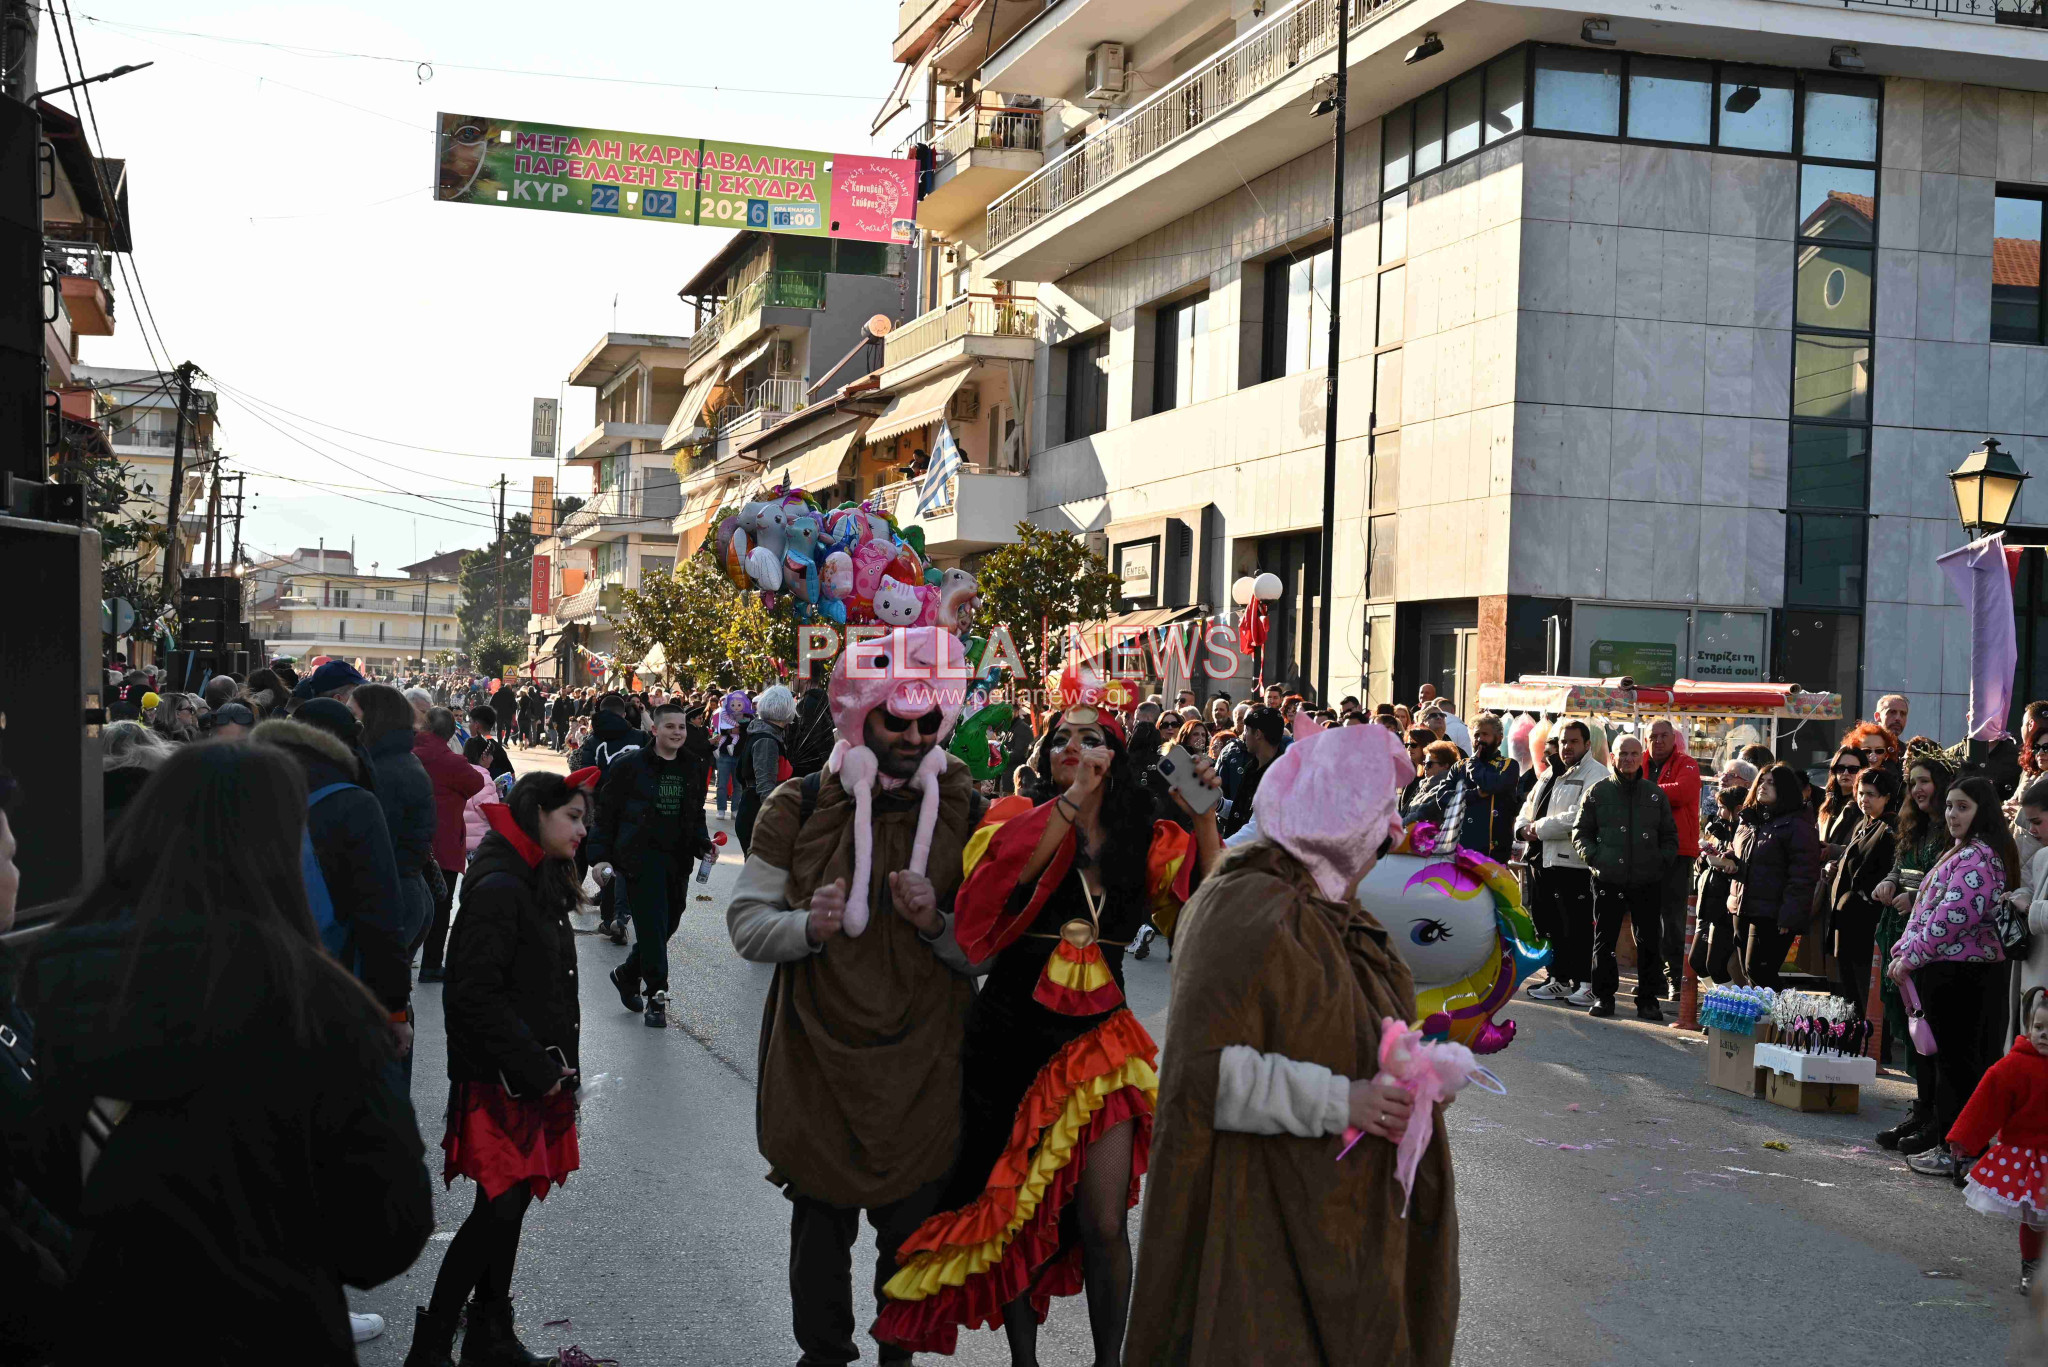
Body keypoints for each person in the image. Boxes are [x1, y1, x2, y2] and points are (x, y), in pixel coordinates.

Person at [17, 744, 432, 1362]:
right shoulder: (323, 1004)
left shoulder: (60, 975)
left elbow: (45, 1166)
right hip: (276, 1324)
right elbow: (389, 1221)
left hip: (112, 1318)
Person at [877, 691, 1218, 1361]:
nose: (1074, 747)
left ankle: (1107, 1361)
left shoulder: (1149, 838)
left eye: (1093, 739)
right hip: (1009, 1031)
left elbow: (1213, 912)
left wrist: (1205, 818)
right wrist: (1069, 805)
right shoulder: (1015, 819)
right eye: (1064, 736)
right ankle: (1024, 1360)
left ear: (1117, 760)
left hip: (1100, 1041)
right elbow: (999, 892)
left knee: (1102, 1218)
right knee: (1013, 1211)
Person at [1123, 721, 1456, 1367]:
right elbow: (1200, 1077)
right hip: (1261, 1231)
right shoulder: (1243, 905)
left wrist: (1416, 1074)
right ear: (1334, 811)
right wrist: (1341, 1100)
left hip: (1343, 1232)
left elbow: (1354, 1026)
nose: (1393, 830)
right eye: (1379, 809)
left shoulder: (1337, 904)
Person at [726, 627, 984, 1367]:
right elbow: (746, 922)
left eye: (924, 723)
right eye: (892, 721)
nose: (909, 735)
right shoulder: (797, 803)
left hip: (925, 1067)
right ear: (858, 718)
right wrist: (809, 925)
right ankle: (825, 1354)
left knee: (912, 1243)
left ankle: (896, 1355)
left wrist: (935, 919)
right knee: (818, 1235)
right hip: (818, 1061)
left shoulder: (966, 804)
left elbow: (985, 949)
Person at [404, 768, 597, 1367]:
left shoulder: (531, 872)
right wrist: (533, 1064)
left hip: (526, 1071)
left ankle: (490, 1332)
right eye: (573, 817)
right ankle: (434, 1345)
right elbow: (473, 995)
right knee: (499, 1209)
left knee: (506, 1209)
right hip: (501, 1077)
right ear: (538, 812)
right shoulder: (500, 885)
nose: (583, 831)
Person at [251, 703, 414, 1061]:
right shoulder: (352, 803)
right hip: (333, 986)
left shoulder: (245, 786)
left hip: (250, 985)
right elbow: (380, 913)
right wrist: (394, 1007)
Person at [1890, 774, 2016, 1178]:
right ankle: (1957, 1149)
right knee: (1953, 1065)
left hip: (1963, 975)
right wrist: (1906, 951)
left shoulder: (1979, 857)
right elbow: (1930, 910)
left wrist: (1911, 956)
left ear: (1983, 812)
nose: (1952, 814)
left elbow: (1951, 918)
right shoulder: (1964, 851)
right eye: (1950, 806)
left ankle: (1958, 1152)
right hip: (1949, 971)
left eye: (1963, 807)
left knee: (1958, 1069)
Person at [588, 702, 715, 1028]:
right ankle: (657, 997)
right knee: (652, 927)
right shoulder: (629, 766)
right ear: (655, 729)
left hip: (678, 860)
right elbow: (605, 814)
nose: (677, 732)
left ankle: (628, 974)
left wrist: (703, 843)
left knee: (667, 924)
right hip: (639, 861)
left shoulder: (692, 767)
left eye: (682, 727)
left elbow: (695, 813)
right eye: (670, 727)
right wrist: (599, 857)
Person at [1872, 752, 1955, 1146]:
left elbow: (1946, 889)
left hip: (1929, 942)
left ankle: (1934, 1118)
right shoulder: (1913, 826)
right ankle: (1919, 1108)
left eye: (1925, 781)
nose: (1918, 790)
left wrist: (1911, 895)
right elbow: (1898, 866)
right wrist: (1889, 884)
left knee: (1928, 1032)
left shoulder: (1952, 831)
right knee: (1908, 1029)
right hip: (1897, 933)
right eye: (1914, 783)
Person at [1571, 735, 1679, 1022]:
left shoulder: (1654, 795)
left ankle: (1648, 1000)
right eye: (1624, 754)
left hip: (1647, 879)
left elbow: (1669, 836)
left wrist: (1660, 861)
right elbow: (1580, 832)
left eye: (1634, 754)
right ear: (1613, 758)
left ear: (1640, 756)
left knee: (1649, 940)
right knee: (1604, 940)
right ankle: (1604, 997)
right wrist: (1595, 858)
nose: (1629, 759)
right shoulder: (1597, 792)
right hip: (1608, 878)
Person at [1518, 719, 1608, 1007]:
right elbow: (1527, 806)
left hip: (1574, 864)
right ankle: (1558, 979)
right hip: (1542, 859)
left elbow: (1578, 817)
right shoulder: (1550, 773)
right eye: (1563, 741)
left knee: (1578, 927)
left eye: (1573, 742)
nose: (1567, 747)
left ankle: (1586, 983)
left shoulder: (1597, 774)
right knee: (1548, 924)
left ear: (1586, 745)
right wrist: (1522, 828)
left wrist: (1537, 828)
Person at [1711, 763, 1823, 992]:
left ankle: (1782, 1022)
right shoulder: (1749, 818)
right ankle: (1761, 1025)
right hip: (1742, 905)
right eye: (1762, 780)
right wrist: (1729, 859)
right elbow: (1746, 855)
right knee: (1747, 972)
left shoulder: (1798, 824)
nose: (1763, 786)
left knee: (1759, 971)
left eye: (1772, 782)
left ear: (1786, 788)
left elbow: (1803, 875)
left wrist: (1790, 915)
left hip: (1773, 912)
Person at [357, 685, 438, 993]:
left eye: (355, 714)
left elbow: (381, 842)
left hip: (396, 894)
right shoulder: (396, 759)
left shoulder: (387, 768)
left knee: (384, 997)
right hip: (408, 890)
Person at [414, 706, 486, 984]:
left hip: (408, 842)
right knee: (440, 906)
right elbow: (477, 782)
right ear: (449, 732)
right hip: (443, 845)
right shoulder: (453, 763)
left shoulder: (407, 753)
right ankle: (431, 965)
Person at [1830, 765, 1900, 1004]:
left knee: (1863, 991)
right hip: (1847, 919)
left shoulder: (1890, 828)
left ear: (1886, 797)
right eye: (1860, 793)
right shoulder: (1864, 824)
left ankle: (1868, 1040)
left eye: (1871, 794)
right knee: (1848, 987)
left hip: (1867, 922)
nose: (1863, 799)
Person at [1643, 720, 1702, 998]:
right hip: (1641, 852)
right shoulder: (1638, 759)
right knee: (1645, 916)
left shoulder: (1687, 763)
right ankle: (1652, 977)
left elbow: (1683, 792)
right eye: (1653, 736)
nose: (1658, 740)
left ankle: (1675, 978)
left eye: (1664, 735)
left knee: (1674, 919)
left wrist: (1642, 793)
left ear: (1674, 738)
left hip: (1678, 852)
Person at [1691, 764, 1756, 985]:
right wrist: (1704, 857)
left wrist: (1731, 866)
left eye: (1730, 776)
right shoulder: (1719, 828)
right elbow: (1703, 864)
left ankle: (1729, 1010)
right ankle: (1720, 1005)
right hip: (1708, 904)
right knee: (1699, 962)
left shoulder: (1745, 831)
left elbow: (1746, 866)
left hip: (1726, 908)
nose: (1724, 779)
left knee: (1717, 965)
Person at [735, 684, 796, 855]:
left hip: (755, 809)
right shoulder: (767, 739)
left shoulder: (765, 733)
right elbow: (765, 786)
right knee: (760, 876)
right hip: (759, 814)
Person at [1455, 712, 1520, 860]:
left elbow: (1490, 785)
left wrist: (1473, 765)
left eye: (1485, 734)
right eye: (1476, 734)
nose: (1480, 739)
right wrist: (1475, 794)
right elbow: (1442, 798)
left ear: (1499, 739)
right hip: (1460, 846)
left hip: (1493, 851)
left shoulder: (1509, 765)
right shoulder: (1459, 766)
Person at [1218, 705, 1284, 838]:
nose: (1244, 736)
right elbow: (1243, 812)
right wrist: (1219, 804)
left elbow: (1255, 827)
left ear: (1258, 734)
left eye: (1247, 730)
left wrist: (1219, 851)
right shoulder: (1252, 767)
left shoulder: (1279, 776)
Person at [712, 689, 753, 817]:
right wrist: (731, 731)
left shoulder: (749, 717)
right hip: (725, 754)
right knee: (722, 785)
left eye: (739, 703)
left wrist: (738, 728)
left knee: (738, 785)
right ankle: (721, 810)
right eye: (733, 704)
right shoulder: (724, 714)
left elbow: (748, 730)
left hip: (740, 755)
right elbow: (720, 729)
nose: (736, 707)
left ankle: (735, 810)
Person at [464, 707, 514, 783]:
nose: (469, 725)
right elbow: (511, 776)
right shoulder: (499, 749)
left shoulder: (471, 746)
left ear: (476, 725)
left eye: (470, 722)